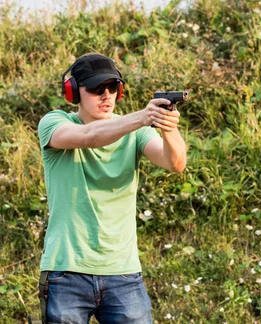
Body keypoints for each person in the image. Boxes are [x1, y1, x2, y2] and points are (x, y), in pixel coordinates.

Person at [36, 53, 187, 323]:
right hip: (66, 269)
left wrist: (168, 127)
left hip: (124, 272)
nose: (106, 95)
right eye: (95, 88)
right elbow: (89, 136)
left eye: (112, 87)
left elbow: (174, 163)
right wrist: (143, 117)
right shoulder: (54, 123)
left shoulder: (137, 131)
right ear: (73, 92)